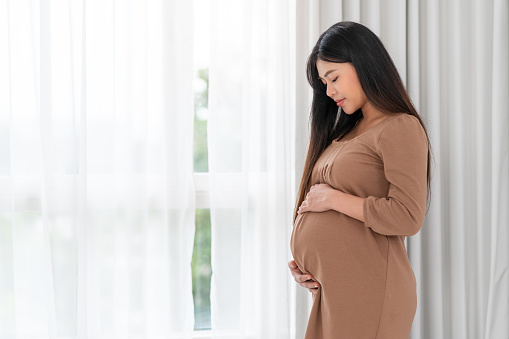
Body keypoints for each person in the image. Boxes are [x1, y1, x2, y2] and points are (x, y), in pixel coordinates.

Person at [288, 21, 433, 339]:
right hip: (332, 292)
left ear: (363, 62)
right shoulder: (345, 132)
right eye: (324, 82)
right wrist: (307, 264)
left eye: (334, 77)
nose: (329, 91)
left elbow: (408, 216)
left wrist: (333, 199)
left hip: (369, 291)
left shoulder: (400, 127)